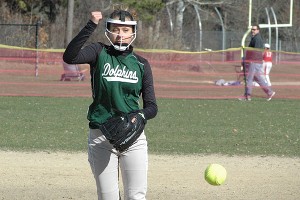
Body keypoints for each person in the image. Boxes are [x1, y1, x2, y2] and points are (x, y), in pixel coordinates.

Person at [63, 8, 158, 200]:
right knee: (108, 197)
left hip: (133, 137)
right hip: (101, 137)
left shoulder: (141, 64)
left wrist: (139, 115)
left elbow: (151, 106)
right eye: (116, 29)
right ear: (108, 30)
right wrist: (90, 25)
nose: (120, 34)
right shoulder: (99, 52)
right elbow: (70, 57)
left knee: (136, 196)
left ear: (133, 33)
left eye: (125, 30)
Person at [239, 25, 275, 101]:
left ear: (258, 30)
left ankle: (247, 96)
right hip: (256, 61)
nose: (253, 31)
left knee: (249, 78)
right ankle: (269, 92)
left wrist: (249, 59)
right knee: (258, 78)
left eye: (254, 29)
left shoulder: (257, 39)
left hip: (254, 62)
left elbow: (256, 51)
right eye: (252, 29)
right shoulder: (254, 38)